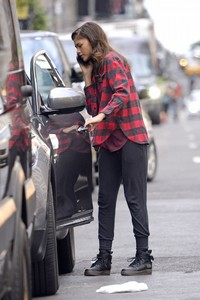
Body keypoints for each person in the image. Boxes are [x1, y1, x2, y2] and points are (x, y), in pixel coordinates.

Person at [71, 22, 154, 276]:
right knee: (105, 200)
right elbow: (94, 107)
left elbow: (122, 92)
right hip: (108, 141)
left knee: (134, 199)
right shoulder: (95, 69)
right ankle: (104, 258)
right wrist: (86, 77)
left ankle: (144, 257)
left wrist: (102, 115)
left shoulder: (112, 60)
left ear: (93, 40)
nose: (78, 51)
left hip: (130, 137)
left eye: (80, 45)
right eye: (75, 47)